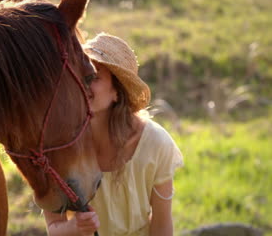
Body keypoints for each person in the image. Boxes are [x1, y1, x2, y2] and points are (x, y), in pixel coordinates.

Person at [43, 33, 184, 236]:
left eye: (93, 77)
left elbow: (162, 227)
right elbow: (53, 228)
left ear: (117, 91)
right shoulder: (58, 145)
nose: (82, 84)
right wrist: (75, 227)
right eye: (77, 75)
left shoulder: (155, 144)